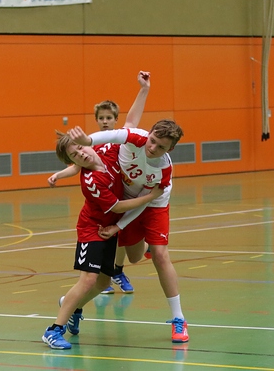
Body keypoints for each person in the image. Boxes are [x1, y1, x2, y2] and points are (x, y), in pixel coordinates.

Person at [70, 119, 189, 343]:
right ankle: (73, 307)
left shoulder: (162, 170)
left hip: (153, 203)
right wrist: (88, 140)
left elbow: (148, 199)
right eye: (152, 140)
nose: (152, 148)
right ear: (149, 134)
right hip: (128, 201)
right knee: (134, 257)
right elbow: (113, 135)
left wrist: (119, 225)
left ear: (170, 149)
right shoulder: (136, 138)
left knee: (160, 255)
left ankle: (179, 319)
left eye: (161, 147)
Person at [42, 130, 163, 350]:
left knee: (103, 283)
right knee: (88, 279)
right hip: (91, 229)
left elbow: (128, 129)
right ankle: (53, 330)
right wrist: (150, 197)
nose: (81, 154)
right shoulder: (91, 181)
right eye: (75, 155)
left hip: (109, 229)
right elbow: (117, 206)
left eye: (81, 148)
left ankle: (73, 307)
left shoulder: (106, 149)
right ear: (74, 162)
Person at [48, 71, 152, 294]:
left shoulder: (118, 141)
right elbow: (76, 166)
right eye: (101, 118)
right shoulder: (90, 146)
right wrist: (58, 175)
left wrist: (144, 89)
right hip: (111, 203)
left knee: (133, 253)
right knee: (115, 238)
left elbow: (132, 120)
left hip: (129, 198)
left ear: (115, 119)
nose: (105, 122)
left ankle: (129, 260)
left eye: (109, 118)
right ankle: (113, 273)